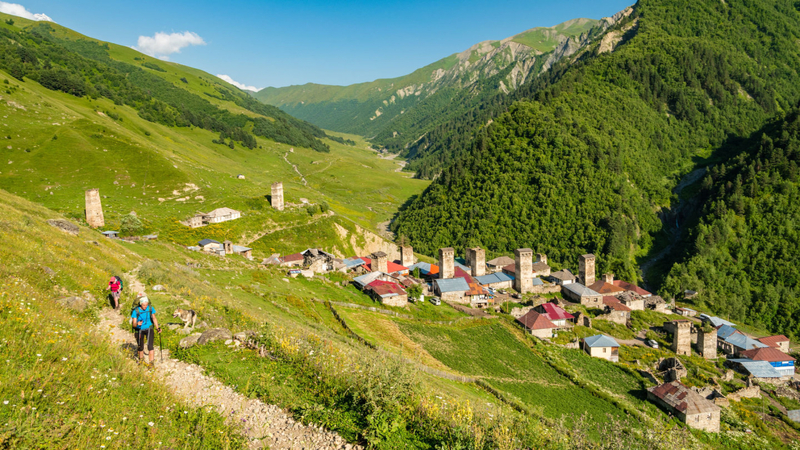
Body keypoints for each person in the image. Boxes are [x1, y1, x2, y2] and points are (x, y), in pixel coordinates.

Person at [131, 296, 161, 366]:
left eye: (146, 305)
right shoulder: (136, 311)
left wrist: (157, 328)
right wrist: (137, 324)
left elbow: (154, 318)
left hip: (149, 328)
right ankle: (141, 361)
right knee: (140, 347)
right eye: (144, 305)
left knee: (150, 346)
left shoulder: (150, 308)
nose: (145, 307)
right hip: (139, 330)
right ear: (140, 304)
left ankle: (151, 363)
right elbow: (133, 324)